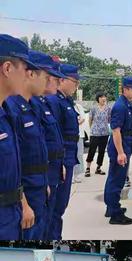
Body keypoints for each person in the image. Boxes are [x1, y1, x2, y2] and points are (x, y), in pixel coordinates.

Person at [5, 50, 49, 241]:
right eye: (24, 68)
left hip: (32, 189)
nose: (26, 75)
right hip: (19, 198)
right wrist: (23, 203)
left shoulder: (16, 109)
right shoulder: (12, 108)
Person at [0, 34, 37, 240]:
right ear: (7, 69)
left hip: (10, 212)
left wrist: (22, 202)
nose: (27, 76)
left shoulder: (6, 113)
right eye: (24, 69)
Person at [29, 54, 67, 241]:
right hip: (34, 180)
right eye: (51, 76)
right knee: (40, 224)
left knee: (51, 216)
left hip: (49, 171)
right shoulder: (29, 106)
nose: (56, 82)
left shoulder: (42, 103)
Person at [46, 63, 81, 240]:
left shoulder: (66, 101)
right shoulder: (54, 101)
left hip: (67, 158)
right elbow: (54, 136)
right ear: (62, 79)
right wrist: (60, 163)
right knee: (55, 207)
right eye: (74, 81)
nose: (77, 86)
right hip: (60, 160)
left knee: (60, 207)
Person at [103, 76, 132, 225]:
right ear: (125, 89)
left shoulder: (126, 104)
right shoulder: (120, 106)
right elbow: (116, 130)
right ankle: (115, 214)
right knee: (117, 180)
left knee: (114, 177)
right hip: (120, 145)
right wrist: (120, 152)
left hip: (125, 143)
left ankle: (110, 207)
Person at [85, 93, 111, 177]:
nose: (104, 98)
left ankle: (98, 167)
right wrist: (92, 129)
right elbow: (90, 119)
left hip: (105, 133)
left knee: (102, 151)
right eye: (102, 97)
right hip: (95, 133)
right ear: (98, 99)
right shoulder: (93, 108)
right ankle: (88, 168)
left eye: (104, 97)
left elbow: (109, 119)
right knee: (92, 150)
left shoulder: (108, 108)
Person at [73, 100, 86, 183]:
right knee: (70, 155)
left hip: (79, 134)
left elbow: (83, 118)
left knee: (79, 154)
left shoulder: (78, 106)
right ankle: (70, 175)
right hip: (69, 135)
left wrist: (74, 123)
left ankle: (77, 175)